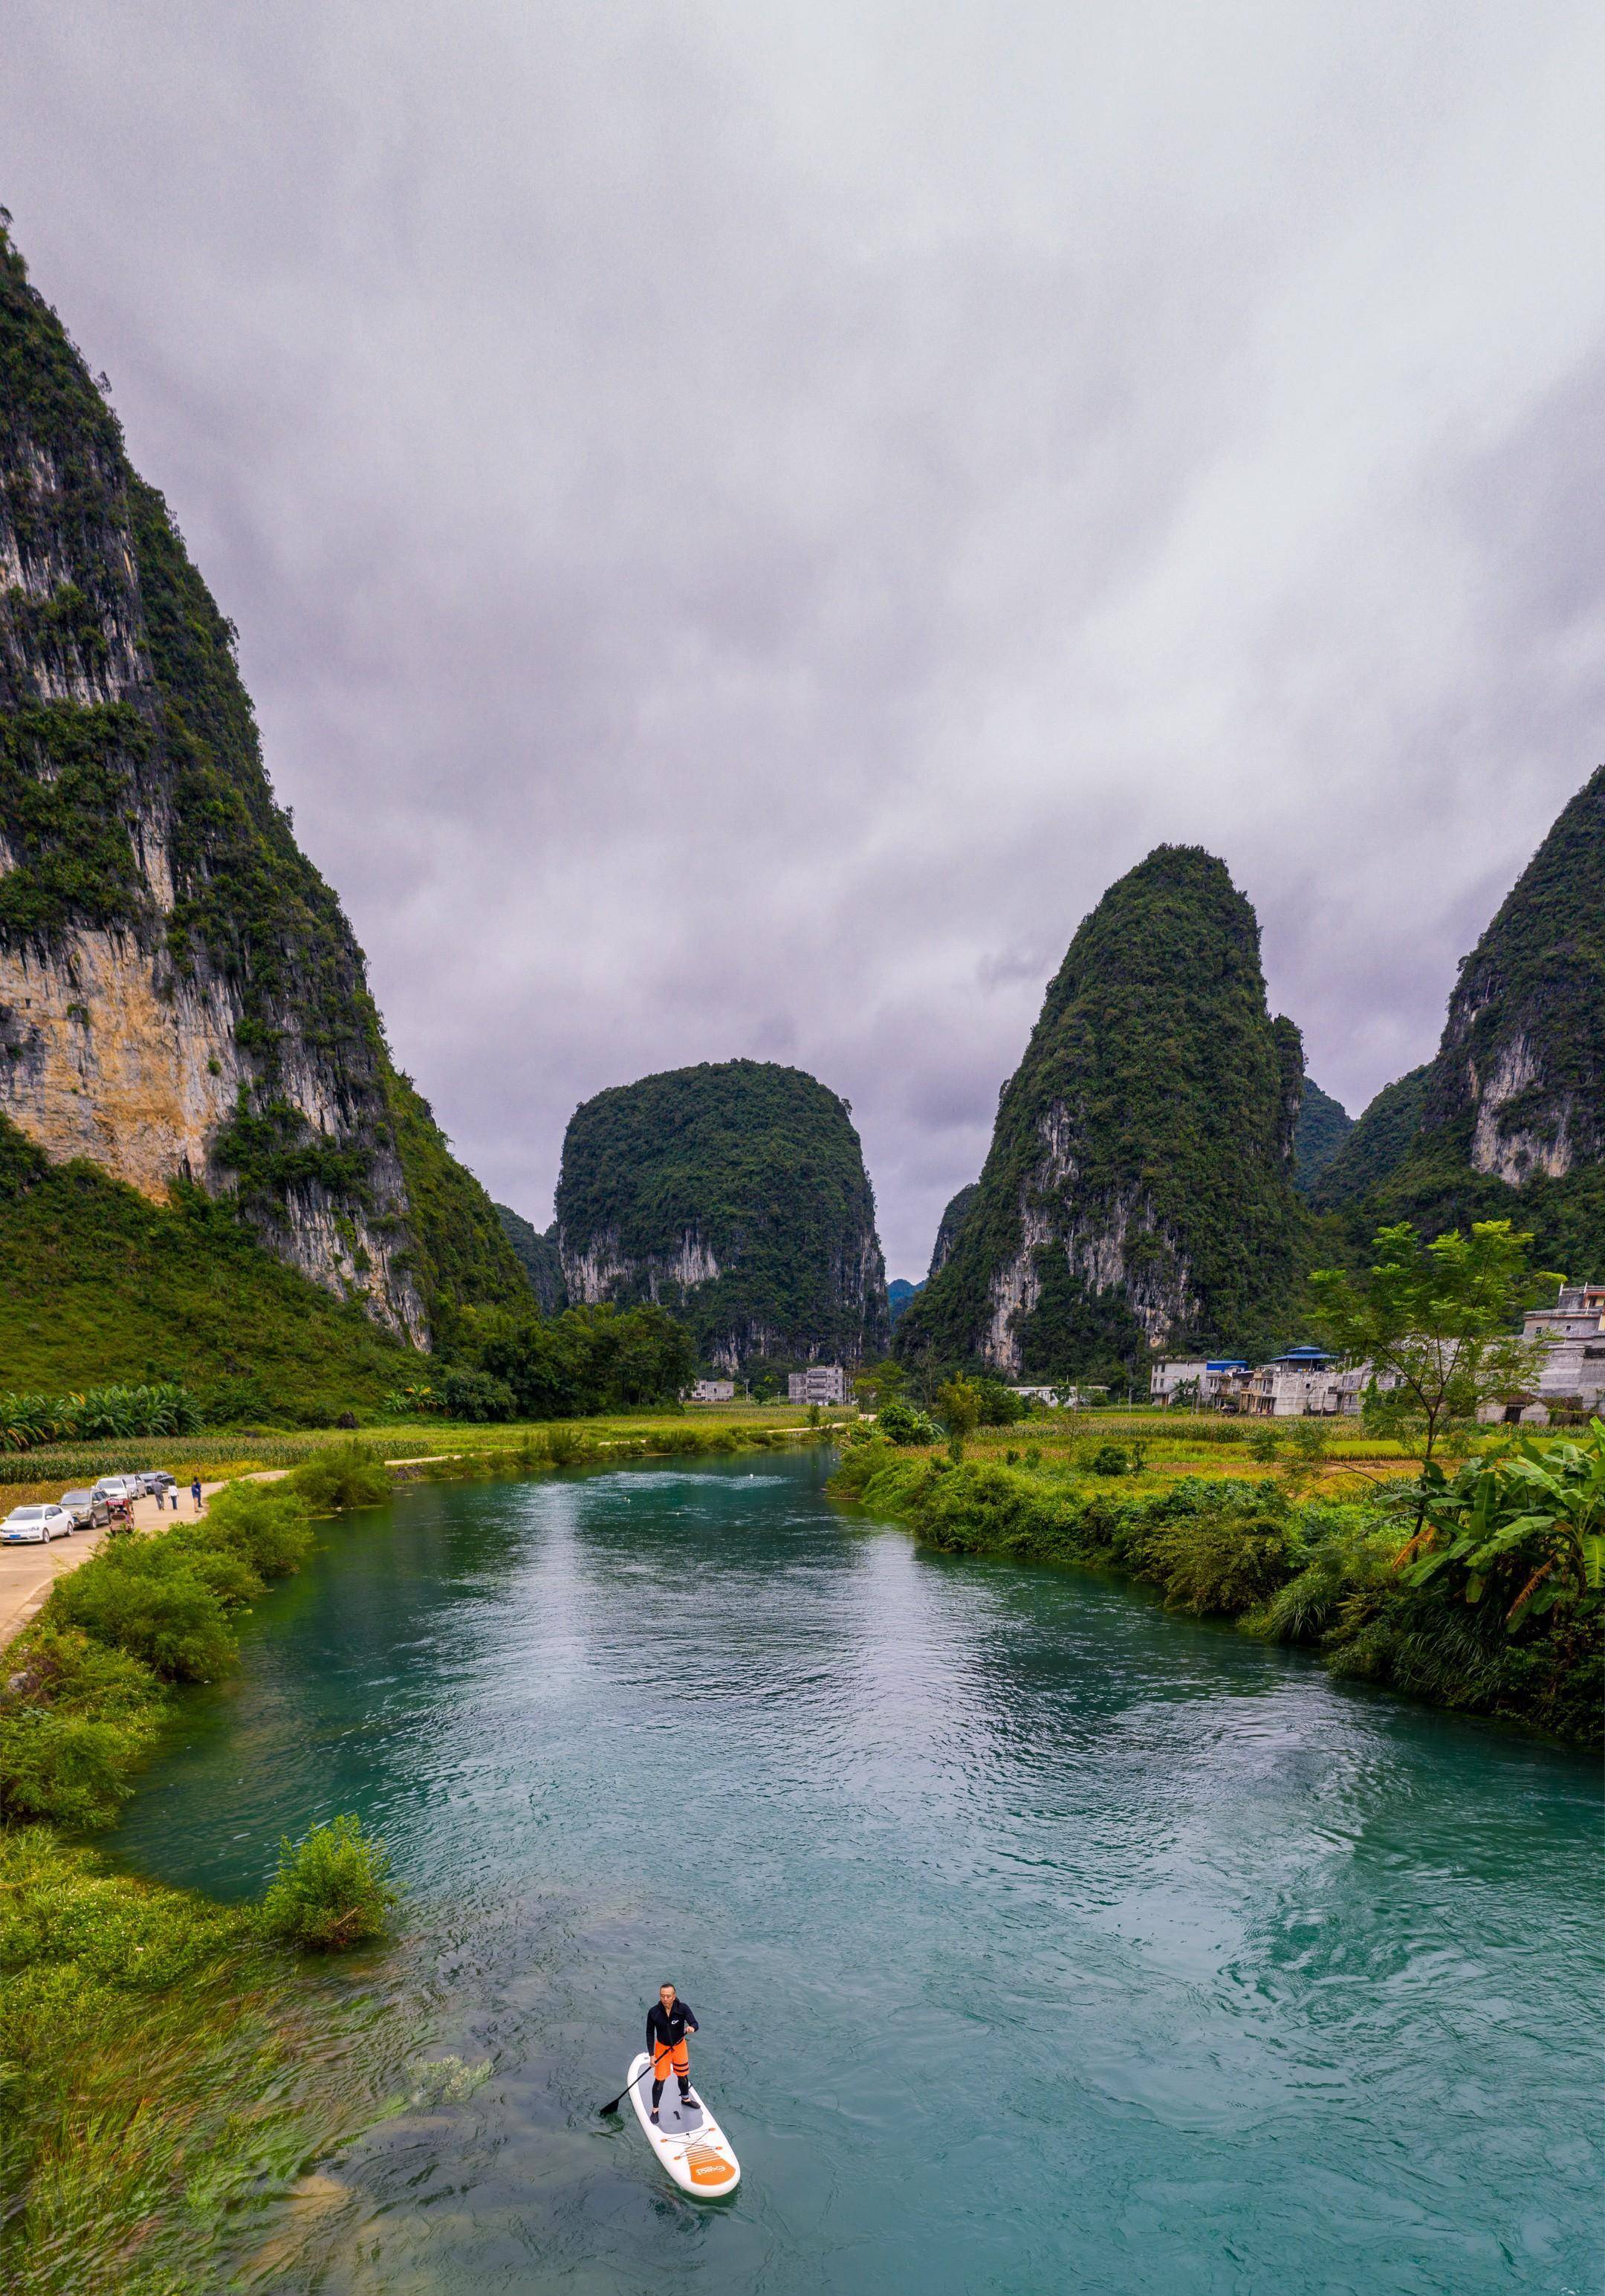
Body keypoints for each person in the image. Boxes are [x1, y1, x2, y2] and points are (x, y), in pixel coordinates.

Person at [645, 1982, 698, 2124]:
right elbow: (650, 2033)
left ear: (674, 1996)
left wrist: (691, 2028)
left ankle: (685, 2099)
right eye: (662, 1996)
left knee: (683, 2076)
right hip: (662, 2048)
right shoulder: (654, 2012)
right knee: (660, 2080)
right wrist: (652, 2055)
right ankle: (655, 2109)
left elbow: (695, 2023)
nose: (665, 1999)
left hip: (679, 2047)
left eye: (668, 1996)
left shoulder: (682, 2009)